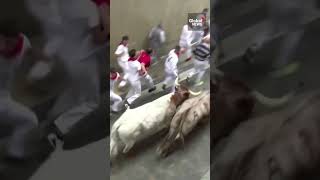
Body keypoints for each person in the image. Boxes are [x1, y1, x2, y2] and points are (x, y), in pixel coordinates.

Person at [27, 0, 104, 134]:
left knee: (73, 90)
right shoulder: (88, 7)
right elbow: (98, 38)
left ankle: (50, 117)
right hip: (84, 59)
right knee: (92, 102)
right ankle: (59, 125)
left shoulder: (58, 5)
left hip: (67, 58)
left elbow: (58, 33)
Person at [0, 29, 38, 159]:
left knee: (30, 120)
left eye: (9, 42)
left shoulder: (24, 43)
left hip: (4, 98)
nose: (5, 46)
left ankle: (14, 153)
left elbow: (30, 59)